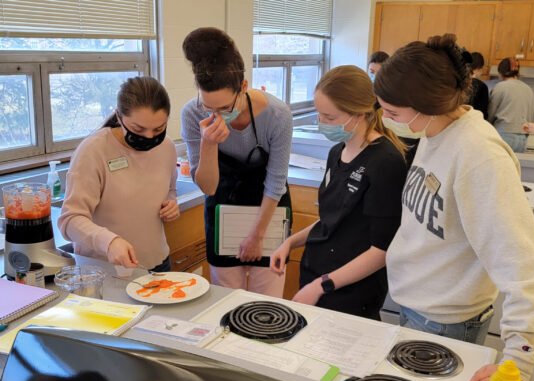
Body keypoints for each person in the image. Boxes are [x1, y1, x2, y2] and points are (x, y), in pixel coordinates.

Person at [373, 34, 534, 381]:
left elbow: (532, 272)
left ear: (423, 105)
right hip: (416, 306)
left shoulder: (479, 155)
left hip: (448, 323)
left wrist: (516, 364)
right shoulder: (434, 130)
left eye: (392, 113)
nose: (387, 120)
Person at [270, 65, 408, 320]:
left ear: (359, 113)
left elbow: (382, 251)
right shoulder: (337, 152)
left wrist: (322, 286)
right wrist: (290, 242)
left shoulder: (385, 162)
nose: (322, 123)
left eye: (330, 118)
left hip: (351, 291)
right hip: (317, 275)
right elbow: (331, 222)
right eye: (319, 115)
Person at [181, 27, 293, 298]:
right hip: (223, 210)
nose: (216, 115)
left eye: (225, 109)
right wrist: (208, 144)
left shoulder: (277, 116)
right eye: (209, 107)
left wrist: (257, 236)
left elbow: (275, 182)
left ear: (243, 87)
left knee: (266, 304)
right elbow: (207, 187)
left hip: (269, 209)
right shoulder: (192, 114)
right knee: (225, 301)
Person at [59, 76, 178, 272]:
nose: (149, 137)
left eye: (159, 128)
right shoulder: (93, 150)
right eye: (138, 129)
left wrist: (171, 204)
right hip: (103, 269)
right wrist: (109, 241)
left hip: (157, 263)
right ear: (119, 116)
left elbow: (170, 191)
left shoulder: (167, 147)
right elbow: (70, 220)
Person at [488, 57, 534, 153]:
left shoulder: (500, 87)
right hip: (522, 137)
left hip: (503, 134)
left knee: (499, 166)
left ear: (501, 73)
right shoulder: (528, 89)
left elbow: (491, 113)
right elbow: (533, 115)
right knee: (515, 167)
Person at [466, 51, 489, 120]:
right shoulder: (482, 86)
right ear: (479, 68)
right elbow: (483, 112)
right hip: (474, 122)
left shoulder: (459, 82)